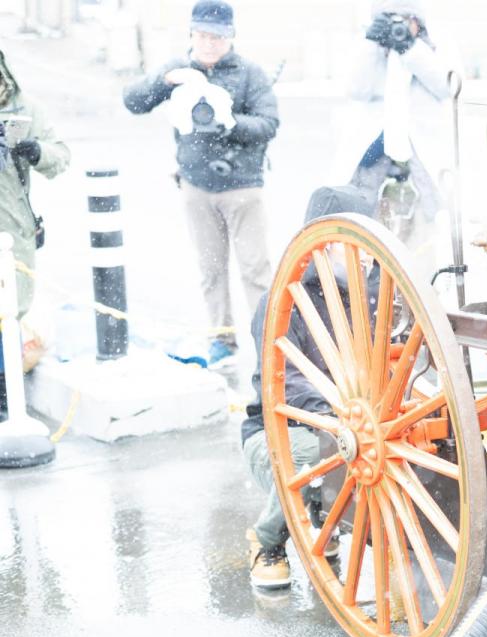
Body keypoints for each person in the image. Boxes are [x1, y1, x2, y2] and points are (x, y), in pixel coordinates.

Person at [122, 0, 279, 367]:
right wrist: (164, 81)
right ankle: (222, 341)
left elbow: (269, 124)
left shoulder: (249, 74)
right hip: (195, 186)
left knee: (255, 269)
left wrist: (230, 123)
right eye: (203, 35)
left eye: (218, 36)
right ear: (191, 34)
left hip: (242, 186)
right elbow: (132, 101)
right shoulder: (179, 69)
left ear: (231, 37)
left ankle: (268, 343)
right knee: (211, 270)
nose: (209, 43)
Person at [241, 185, 377, 589]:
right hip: (281, 434)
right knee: (324, 455)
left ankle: (324, 516)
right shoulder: (281, 301)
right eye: (353, 244)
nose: (366, 255)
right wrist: (337, 414)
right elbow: (284, 381)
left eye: (371, 243)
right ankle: (266, 539)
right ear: (323, 245)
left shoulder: (374, 296)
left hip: (357, 428)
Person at [338, 0, 456, 284]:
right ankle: (374, 298)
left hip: (420, 164)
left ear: (419, 22)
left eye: (406, 18)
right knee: (370, 238)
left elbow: (447, 86)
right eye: (390, 18)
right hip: (375, 162)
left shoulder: (433, 48)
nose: (398, 26)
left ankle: (422, 301)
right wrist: (371, 44)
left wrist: (410, 49)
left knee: (422, 243)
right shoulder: (368, 49)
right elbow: (356, 89)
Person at [0, 48, 69, 419]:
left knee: (11, 313)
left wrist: (36, 151)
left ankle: (7, 393)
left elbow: (61, 157)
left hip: (13, 231)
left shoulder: (24, 108)